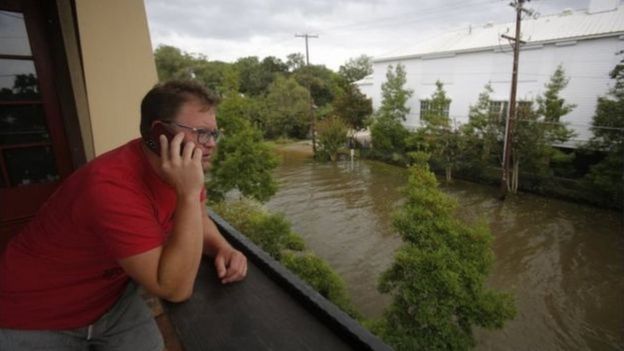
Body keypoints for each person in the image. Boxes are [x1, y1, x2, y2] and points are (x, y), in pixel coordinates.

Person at [0, 80, 247, 350]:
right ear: (159, 132)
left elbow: (198, 219)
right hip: (35, 313)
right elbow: (175, 290)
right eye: (200, 132)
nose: (210, 144)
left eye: (214, 134)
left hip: (110, 302)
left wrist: (223, 247)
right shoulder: (110, 186)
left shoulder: (182, 169)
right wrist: (188, 194)